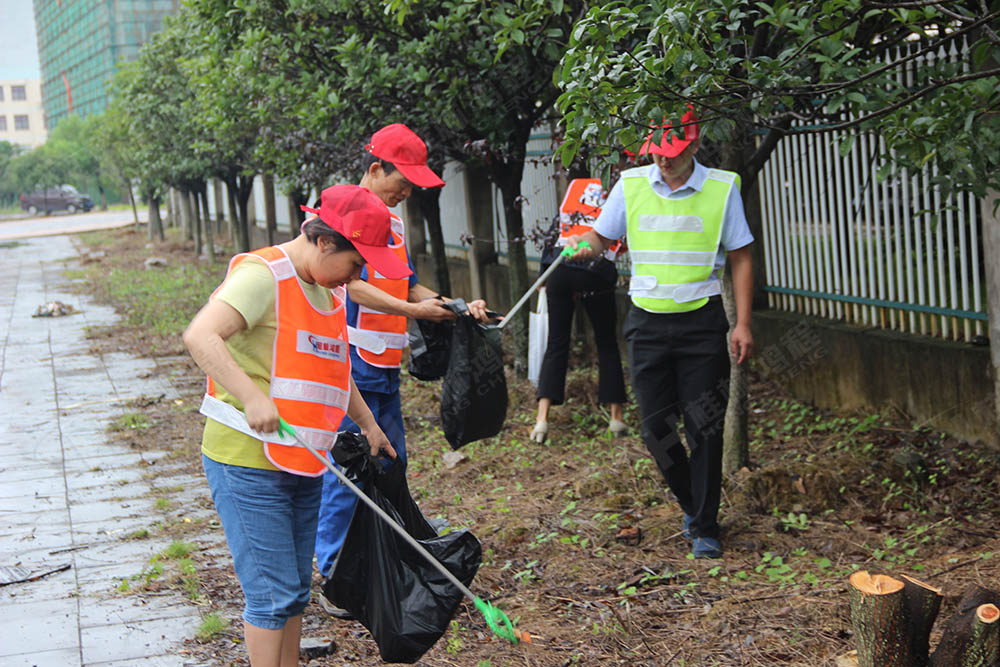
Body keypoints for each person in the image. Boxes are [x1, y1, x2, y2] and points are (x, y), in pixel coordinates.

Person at [183, 184, 408, 667]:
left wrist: (368, 424)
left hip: (303, 457)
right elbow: (201, 335)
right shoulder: (263, 277)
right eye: (355, 262)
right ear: (324, 242)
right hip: (247, 458)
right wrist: (250, 395)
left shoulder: (327, 289)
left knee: (293, 593)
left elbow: (334, 370)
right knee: (271, 594)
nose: (358, 275)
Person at [564, 109, 754, 559]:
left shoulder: (721, 189)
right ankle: (694, 504)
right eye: (657, 152)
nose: (663, 161)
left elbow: (742, 255)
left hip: (702, 323)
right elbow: (600, 238)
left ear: (693, 144)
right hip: (647, 324)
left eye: (673, 152)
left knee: (704, 427)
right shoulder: (630, 186)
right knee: (655, 430)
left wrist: (743, 322)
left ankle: (705, 526)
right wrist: (579, 247)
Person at [314, 123, 491, 597]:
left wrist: (456, 305)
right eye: (402, 182)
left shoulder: (390, 222)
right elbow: (348, 283)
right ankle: (335, 574)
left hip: (384, 362)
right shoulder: (343, 213)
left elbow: (406, 283)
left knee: (392, 463)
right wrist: (416, 311)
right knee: (351, 469)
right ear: (376, 169)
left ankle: (388, 552)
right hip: (352, 363)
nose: (407, 192)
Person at [530, 178, 628, 443]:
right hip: (597, 274)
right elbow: (621, 244)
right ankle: (616, 418)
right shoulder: (610, 206)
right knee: (607, 343)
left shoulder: (569, 206)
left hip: (560, 271)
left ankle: (541, 420)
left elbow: (551, 241)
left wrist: (542, 279)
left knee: (557, 343)